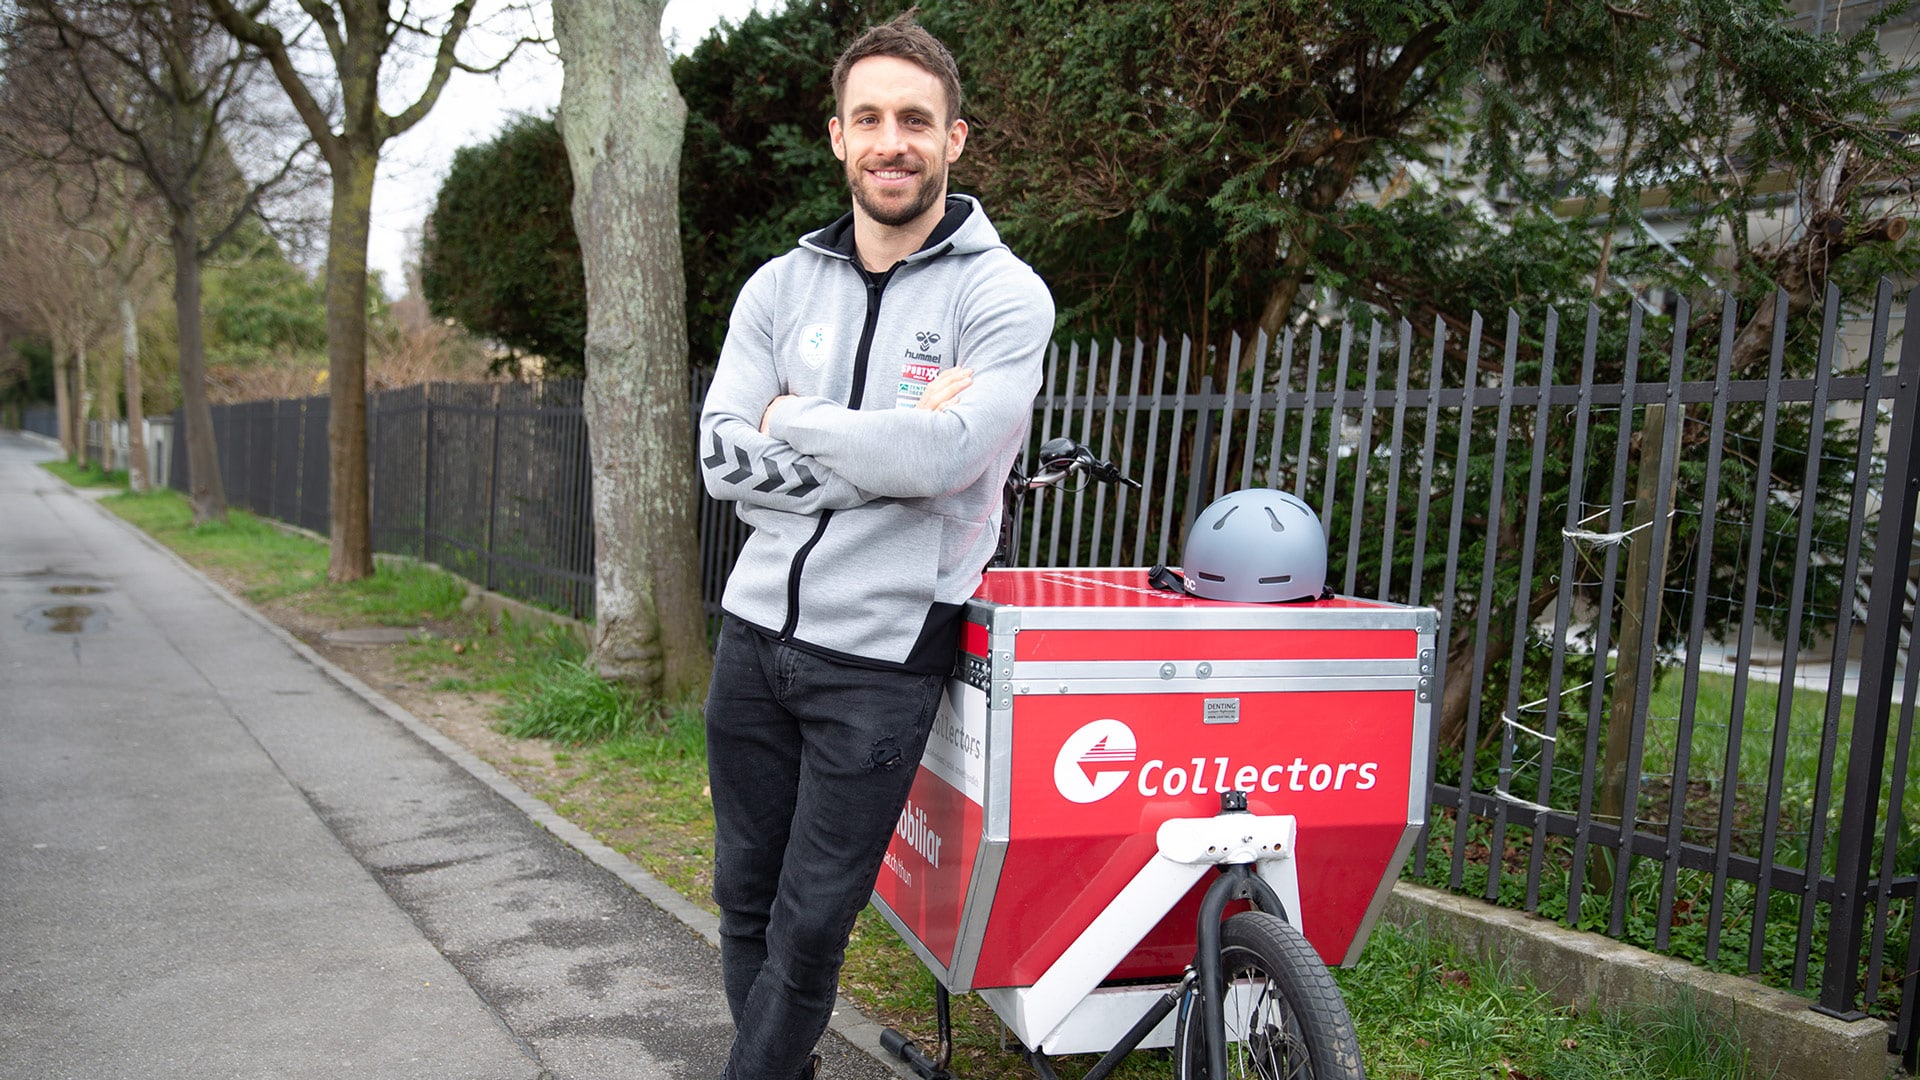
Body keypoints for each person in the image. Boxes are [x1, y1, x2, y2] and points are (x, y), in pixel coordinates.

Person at [695, 13, 1053, 1080]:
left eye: (914, 119)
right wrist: (884, 453)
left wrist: (790, 420)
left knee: (812, 922)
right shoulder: (777, 287)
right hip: (752, 636)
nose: (890, 139)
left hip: (885, 657)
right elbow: (718, 458)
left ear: (955, 139)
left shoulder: (1002, 295)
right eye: (869, 119)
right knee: (744, 900)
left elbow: (946, 457)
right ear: (838, 137)